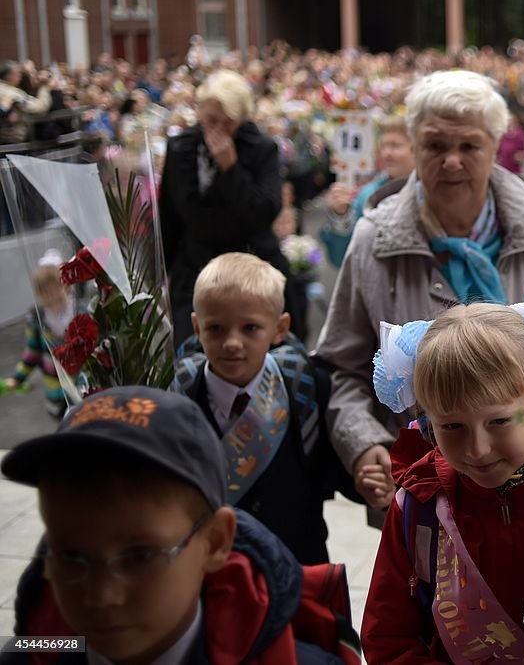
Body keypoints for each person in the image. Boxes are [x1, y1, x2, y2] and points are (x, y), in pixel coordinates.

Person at [315, 70, 524, 513]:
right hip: (424, 496)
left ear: (495, 147)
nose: (452, 161)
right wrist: (364, 444)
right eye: (435, 146)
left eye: (469, 146)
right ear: (414, 148)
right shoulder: (374, 238)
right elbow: (341, 367)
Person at [0, 386, 361, 664]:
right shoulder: (33, 651)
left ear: (217, 541)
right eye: (70, 556)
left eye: (139, 555)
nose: (100, 595)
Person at [361, 272, 524, 662]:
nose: (478, 448)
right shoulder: (420, 506)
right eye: (452, 426)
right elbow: (387, 633)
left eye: (499, 422)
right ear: (427, 420)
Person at [171, 252, 333, 564]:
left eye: (250, 328)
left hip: (297, 568)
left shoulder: (307, 386)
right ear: (196, 326)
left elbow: (331, 470)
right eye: (216, 328)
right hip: (210, 576)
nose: (232, 342)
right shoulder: (177, 400)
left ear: (280, 328)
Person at [159, 69, 306, 347]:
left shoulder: (261, 148)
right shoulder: (181, 148)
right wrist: (162, 272)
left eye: (227, 123)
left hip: (252, 261)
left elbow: (264, 211)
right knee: (194, 351)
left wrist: (230, 169)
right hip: (196, 266)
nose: (217, 129)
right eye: (211, 119)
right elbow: (170, 216)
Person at [316, 115, 416, 269]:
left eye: (395, 146)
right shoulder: (367, 195)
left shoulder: (433, 193)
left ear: (417, 149)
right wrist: (341, 215)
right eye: (384, 146)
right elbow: (342, 259)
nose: (387, 153)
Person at [3, 253, 73, 419]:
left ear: (63, 285)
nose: (49, 295)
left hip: (82, 387)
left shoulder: (78, 310)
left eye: (53, 287)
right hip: (56, 392)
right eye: (43, 290)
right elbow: (32, 352)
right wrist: (17, 379)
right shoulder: (36, 318)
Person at [0, 61, 52, 144]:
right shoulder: (13, 94)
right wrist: (44, 86)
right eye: (18, 74)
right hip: (12, 141)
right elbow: (40, 106)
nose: (20, 78)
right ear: (10, 76)